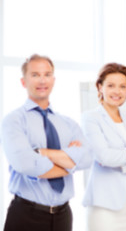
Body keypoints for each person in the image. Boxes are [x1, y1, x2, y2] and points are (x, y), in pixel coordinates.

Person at [1, 54, 92, 231]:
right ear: (23, 81)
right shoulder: (13, 121)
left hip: (63, 216)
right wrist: (70, 162)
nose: (42, 80)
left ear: (53, 79)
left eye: (47, 74)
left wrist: (41, 152)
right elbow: (25, 164)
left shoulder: (68, 124)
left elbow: (87, 158)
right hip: (26, 215)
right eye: (35, 74)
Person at [81, 63, 126, 231]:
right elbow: (103, 156)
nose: (117, 91)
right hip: (103, 204)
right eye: (111, 85)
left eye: (123, 86)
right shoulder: (91, 118)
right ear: (100, 87)